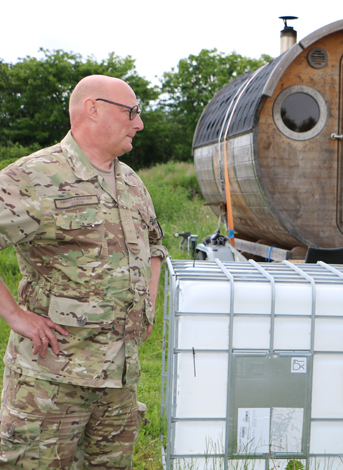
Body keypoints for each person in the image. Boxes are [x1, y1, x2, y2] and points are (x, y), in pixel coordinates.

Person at [0, 75, 168, 469]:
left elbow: (155, 244)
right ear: (93, 109)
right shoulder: (33, 177)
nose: (139, 123)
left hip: (119, 381)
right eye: (132, 112)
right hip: (52, 382)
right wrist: (15, 315)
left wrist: (149, 298)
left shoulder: (131, 182)